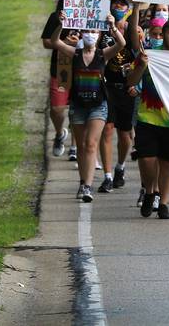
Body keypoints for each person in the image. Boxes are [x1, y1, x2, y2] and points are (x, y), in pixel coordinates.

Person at [51, 10, 126, 202]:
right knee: (83, 146)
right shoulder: (74, 53)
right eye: (87, 31)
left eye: (94, 31)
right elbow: (55, 42)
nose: (90, 34)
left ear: (99, 34)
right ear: (82, 33)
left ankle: (87, 187)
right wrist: (61, 25)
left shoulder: (103, 55)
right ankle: (82, 181)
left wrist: (112, 27)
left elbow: (121, 44)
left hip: (98, 105)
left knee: (92, 144)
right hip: (78, 105)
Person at [127, 7, 169, 219]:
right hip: (147, 117)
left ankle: (163, 202)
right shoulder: (150, 55)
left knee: (166, 165)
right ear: (164, 35)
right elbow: (131, 82)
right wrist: (141, 67)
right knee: (146, 160)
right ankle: (150, 191)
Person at [98, 0, 137, 193]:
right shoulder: (103, 29)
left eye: (123, 4)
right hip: (107, 87)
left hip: (127, 90)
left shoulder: (133, 31)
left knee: (124, 135)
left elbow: (139, 54)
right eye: (115, 4)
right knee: (107, 129)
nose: (119, 6)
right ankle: (107, 176)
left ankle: (120, 166)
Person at [42, 0, 85, 159]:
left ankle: (76, 148)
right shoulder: (55, 17)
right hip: (61, 69)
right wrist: (63, 43)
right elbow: (46, 42)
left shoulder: (89, 19)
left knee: (79, 110)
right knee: (57, 109)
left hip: (84, 69)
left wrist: (79, 43)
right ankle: (59, 133)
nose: (77, 2)